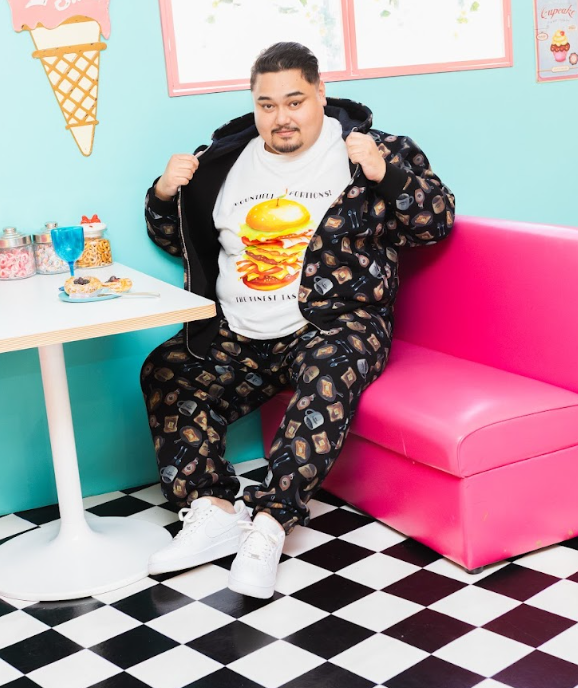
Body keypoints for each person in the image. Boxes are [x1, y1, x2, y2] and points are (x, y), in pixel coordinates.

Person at [141, 41, 455, 598]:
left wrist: (385, 174)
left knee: (329, 375)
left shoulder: (370, 150)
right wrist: (165, 194)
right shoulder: (222, 161)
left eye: (294, 101)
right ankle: (211, 509)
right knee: (167, 371)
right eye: (267, 105)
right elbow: (179, 239)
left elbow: (436, 222)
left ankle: (269, 525)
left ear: (321, 95)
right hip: (239, 333)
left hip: (334, 325)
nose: (280, 117)